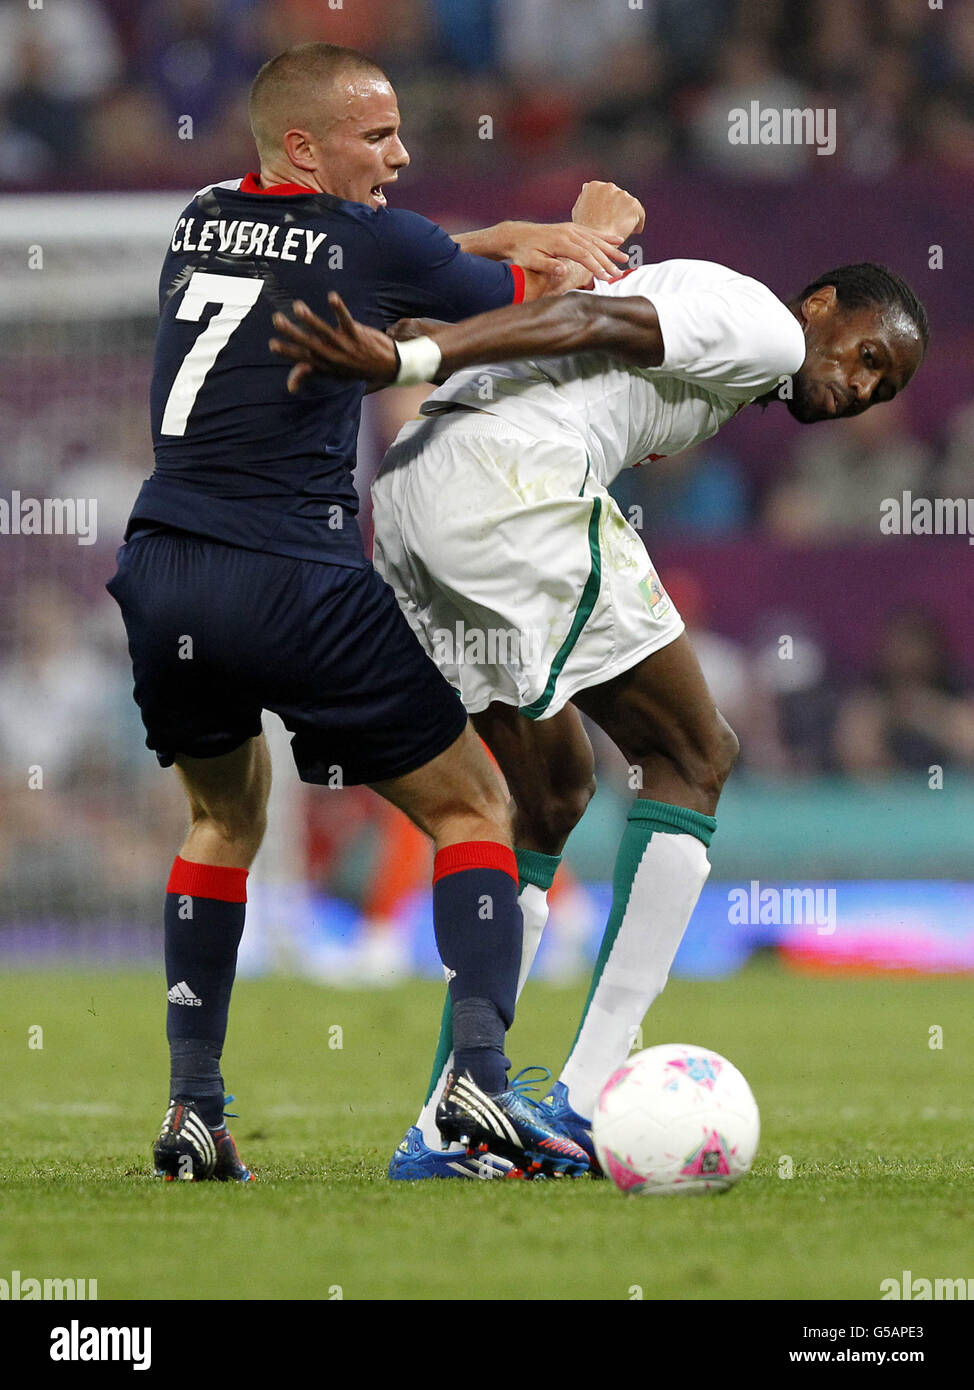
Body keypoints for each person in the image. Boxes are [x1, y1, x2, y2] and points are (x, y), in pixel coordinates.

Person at [107, 39, 644, 1183]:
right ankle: (484, 1092)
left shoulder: (203, 213)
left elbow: (408, 252)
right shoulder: (372, 242)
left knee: (221, 825)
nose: (400, 154)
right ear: (304, 146)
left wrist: (486, 239)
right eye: (377, 135)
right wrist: (588, 218)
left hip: (162, 569)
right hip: (293, 573)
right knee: (474, 805)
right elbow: (541, 295)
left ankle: (194, 1107)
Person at [270, 258, 928, 1177]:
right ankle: (584, 1097)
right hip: (515, 486)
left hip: (421, 496)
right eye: (864, 355)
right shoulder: (768, 327)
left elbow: (579, 304)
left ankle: (451, 1121)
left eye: (880, 385)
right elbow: (591, 319)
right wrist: (414, 355)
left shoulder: (726, 327)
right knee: (697, 752)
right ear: (819, 307)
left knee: (548, 798)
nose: (859, 387)